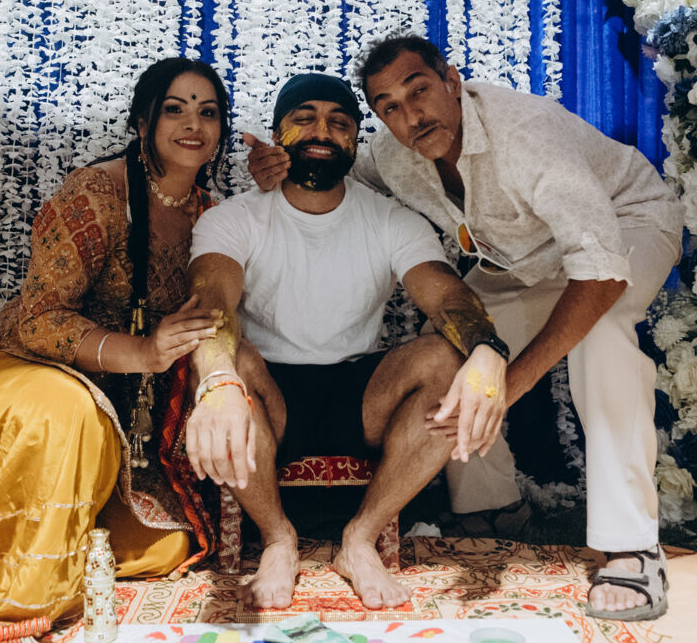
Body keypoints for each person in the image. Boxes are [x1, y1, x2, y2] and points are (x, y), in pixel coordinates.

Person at [249, 40, 683, 618]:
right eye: (389, 106)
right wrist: (281, 166)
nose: (411, 115)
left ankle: (631, 546)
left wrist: (511, 381)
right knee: (459, 342)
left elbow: (600, 273)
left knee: (601, 333)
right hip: (525, 261)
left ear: (452, 81)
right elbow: (336, 170)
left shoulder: (526, 135)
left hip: (625, 229)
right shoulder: (394, 153)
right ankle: (492, 509)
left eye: (419, 91)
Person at [0, 58, 231, 625]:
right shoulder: (97, 193)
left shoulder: (212, 215)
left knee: (166, 546)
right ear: (143, 122)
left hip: (117, 401)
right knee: (70, 411)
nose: (193, 124)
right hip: (23, 367)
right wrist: (144, 353)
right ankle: (28, 588)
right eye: (174, 109)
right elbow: (41, 320)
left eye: (208, 112)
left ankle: (38, 549)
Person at [182, 73, 510, 610]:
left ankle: (360, 539)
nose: (322, 131)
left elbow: (446, 296)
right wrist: (217, 380)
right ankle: (278, 540)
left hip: (360, 396)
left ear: (355, 140)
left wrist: (487, 351)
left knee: (447, 355)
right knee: (227, 358)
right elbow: (211, 304)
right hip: (270, 396)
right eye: (304, 118)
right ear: (278, 134)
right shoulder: (233, 218)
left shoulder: (390, 218)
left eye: (339, 122)